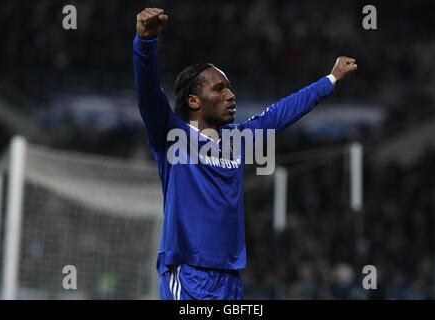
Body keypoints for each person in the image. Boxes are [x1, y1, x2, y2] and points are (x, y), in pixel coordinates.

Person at [133, 7, 357, 300]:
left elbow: (280, 112)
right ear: (193, 100)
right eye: (220, 89)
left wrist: (330, 79)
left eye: (230, 88)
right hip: (188, 273)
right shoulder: (171, 135)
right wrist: (145, 43)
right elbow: (149, 91)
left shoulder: (238, 139)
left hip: (230, 277)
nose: (230, 95)